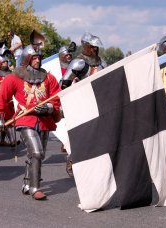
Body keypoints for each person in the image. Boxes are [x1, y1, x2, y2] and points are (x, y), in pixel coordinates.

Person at [0, 30, 61, 200]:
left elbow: (56, 99)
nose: (38, 60)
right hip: (25, 119)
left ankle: (26, 182)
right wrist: (0, 119)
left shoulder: (49, 78)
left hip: (44, 121)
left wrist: (49, 108)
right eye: (34, 58)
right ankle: (34, 188)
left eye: (39, 57)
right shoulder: (14, 77)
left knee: (37, 154)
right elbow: (2, 98)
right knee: (37, 152)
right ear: (27, 59)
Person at [60, 32, 107, 177]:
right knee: (81, 133)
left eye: (96, 47)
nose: (95, 50)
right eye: (92, 47)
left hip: (98, 101)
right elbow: (63, 84)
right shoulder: (78, 63)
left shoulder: (102, 63)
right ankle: (72, 159)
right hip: (81, 102)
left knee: (98, 134)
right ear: (86, 47)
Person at [0, 45, 19, 147]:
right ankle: (12, 141)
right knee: (6, 121)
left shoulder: (11, 73)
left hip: (9, 101)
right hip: (0, 100)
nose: (5, 63)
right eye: (3, 62)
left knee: (9, 120)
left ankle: (2, 140)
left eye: (6, 62)